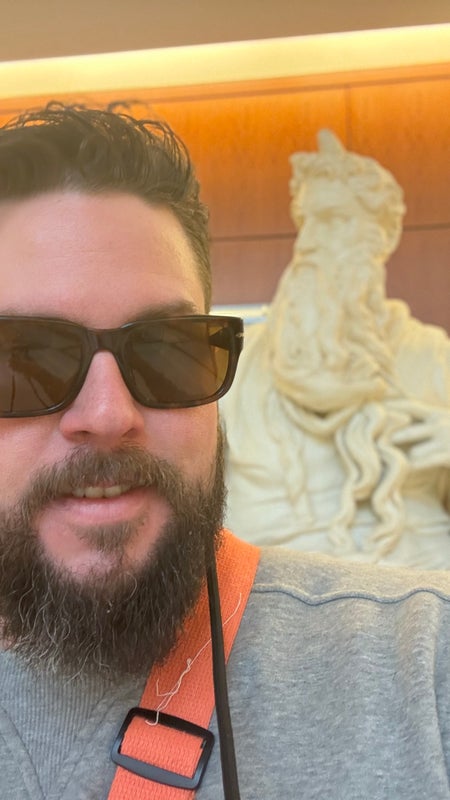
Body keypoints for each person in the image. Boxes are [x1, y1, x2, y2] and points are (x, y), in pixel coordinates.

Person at [0, 103, 450, 800]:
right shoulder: (278, 358)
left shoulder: (422, 666)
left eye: (168, 351)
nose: (109, 416)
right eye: (25, 360)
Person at [222, 129, 450, 568]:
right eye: (305, 221)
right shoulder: (240, 368)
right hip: (276, 584)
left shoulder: (431, 357)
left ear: (383, 236)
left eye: (332, 221)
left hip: (420, 584)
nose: (307, 242)